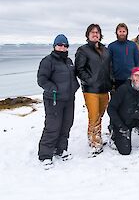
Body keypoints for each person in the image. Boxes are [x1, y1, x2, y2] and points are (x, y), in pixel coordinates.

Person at [37, 34, 79, 169]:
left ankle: (60, 149)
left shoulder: (69, 61)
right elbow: (42, 80)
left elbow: (73, 77)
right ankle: (45, 155)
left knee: (66, 124)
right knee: (53, 126)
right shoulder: (47, 61)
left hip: (68, 99)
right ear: (54, 46)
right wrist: (53, 89)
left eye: (65, 46)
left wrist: (75, 87)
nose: (62, 48)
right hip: (53, 100)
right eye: (60, 45)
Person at [75, 24, 112, 157]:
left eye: (97, 32)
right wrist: (89, 81)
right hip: (91, 89)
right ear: (88, 35)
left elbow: (109, 67)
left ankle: (94, 135)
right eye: (92, 32)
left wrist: (111, 81)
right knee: (94, 115)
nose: (95, 34)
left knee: (100, 114)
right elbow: (79, 69)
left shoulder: (105, 50)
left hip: (104, 88)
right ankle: (95, 142)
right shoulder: (83, 50)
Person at [107, 67, 139, 155]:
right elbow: (111, 108)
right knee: (125, 151)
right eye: (136, 75)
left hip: (135, 118)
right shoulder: (123, 89)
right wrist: (120, 125)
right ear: (131, 77)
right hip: (122, 123)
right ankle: (114, 136)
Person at [108, 23, 139, 89]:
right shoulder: (111, 46)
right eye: (120, 31)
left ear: (127, 32)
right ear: (116, 32)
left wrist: (137, 76)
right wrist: (111, 77)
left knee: (131, 98)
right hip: (117, 79)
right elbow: (109, 64)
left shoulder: (132, 45)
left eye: (124, 31)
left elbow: (137, 62)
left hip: (131, 78)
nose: (122, 33)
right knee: (118, 98)